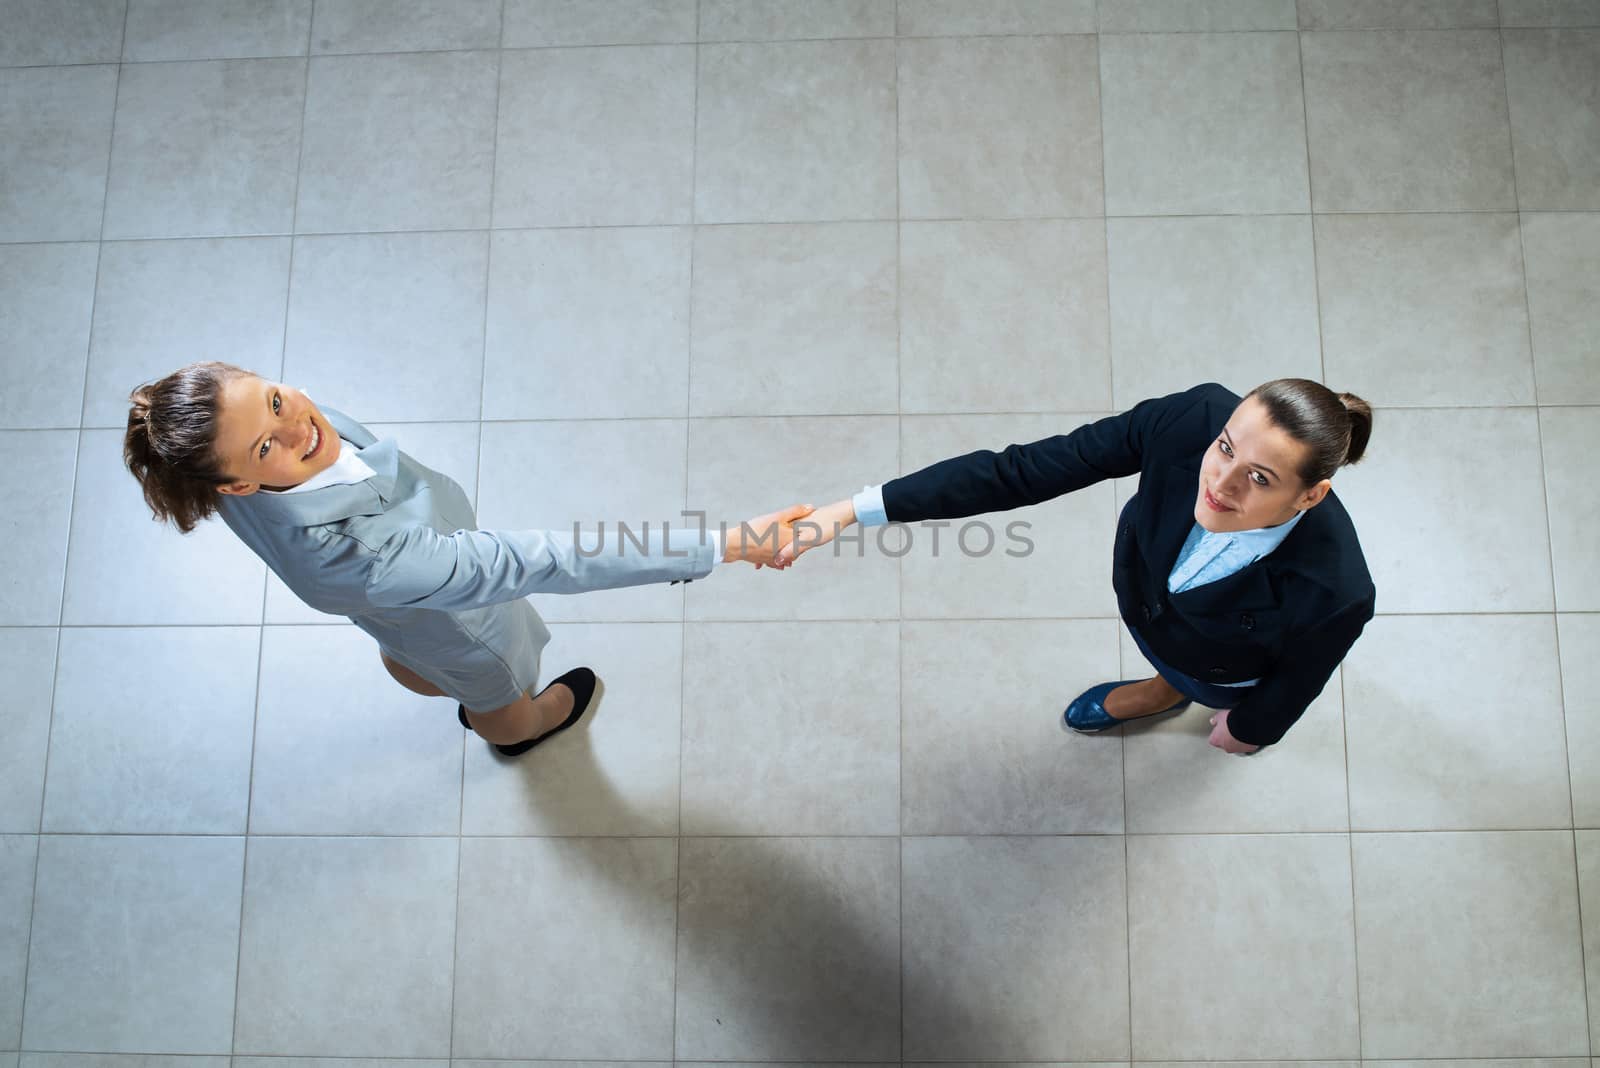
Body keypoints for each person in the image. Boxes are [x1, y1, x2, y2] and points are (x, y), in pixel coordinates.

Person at [123, 362, 811, 756]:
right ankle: (515, 731)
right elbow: (548, 560)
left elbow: (276, 433)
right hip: (464, 625)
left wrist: (268, 434)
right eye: (267, 445)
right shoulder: (367, 561)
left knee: (411, 652)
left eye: (276, 399)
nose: (299, 426)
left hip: (403, 618)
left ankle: (433, 677)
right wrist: (725, 543)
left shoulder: (229, 466)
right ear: (237, 483)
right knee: (495, 690)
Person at [775, 380, 1375, 754]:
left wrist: (1248, 730)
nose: (1219, 481)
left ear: (1309, 496)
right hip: (1144, 591)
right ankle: (1161, 685)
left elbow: (1300, 678)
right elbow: (1022, 470)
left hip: (1222, 664)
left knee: (1194, 678)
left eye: (1260, 478)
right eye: (1225, 447)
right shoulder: (1187, 419)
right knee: (1161, 636)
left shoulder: (1339, 588)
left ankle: (1164, 694)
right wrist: (852, 512)